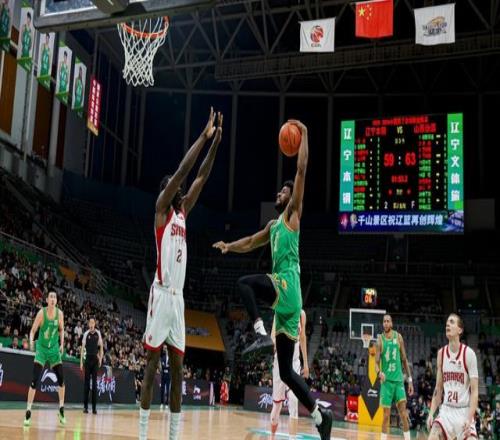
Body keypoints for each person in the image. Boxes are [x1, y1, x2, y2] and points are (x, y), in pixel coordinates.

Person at [213, 120, 332, 440]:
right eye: (280, 191)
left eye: (283, 190)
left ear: (291, 196)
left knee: (245, 284)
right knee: (287, 372)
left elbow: (302, 169)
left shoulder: (292, 214)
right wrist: (229, 246)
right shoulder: (273, 226)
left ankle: (259, 332)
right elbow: (252, 241)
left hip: (287, 285)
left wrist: (305, 134)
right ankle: (320, 416)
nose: (278, 192)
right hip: (288, 305)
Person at [138, 108, 223, 440]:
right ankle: (143, 435)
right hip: (161, 295)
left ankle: (173, 436)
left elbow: (201, 176)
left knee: (177, 371)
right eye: (174, 186)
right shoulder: (161, 210)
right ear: (167, 190)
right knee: (151, 367)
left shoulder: (183, 211)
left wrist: (215, 142)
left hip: (178, 301)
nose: (180, 187)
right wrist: (202, 136)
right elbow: (184, 170)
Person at [427, 313, 479, 440]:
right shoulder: (441, 354)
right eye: (446, 323)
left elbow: (475, 391)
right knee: (433, 435)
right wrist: (431, 413)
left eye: (451, 322)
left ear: (460, 330)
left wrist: (469, 418)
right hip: (446, 411)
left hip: (464, 411)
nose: (447, 325)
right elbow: (438, 388)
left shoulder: (469, 354)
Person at [24, 291, 66, 427]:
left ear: (56, 301)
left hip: (54, 349)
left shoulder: (60, 314)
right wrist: (31, 342)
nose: (53, 299)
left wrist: (62, 344)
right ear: (47, 300)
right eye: (51, 297)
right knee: (34, 380)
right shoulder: (41, 313)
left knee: (61, 379)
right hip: (41, 349)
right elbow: (33, 331)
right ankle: (28, 411)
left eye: (55, 297)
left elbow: (61, 329)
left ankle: (61, 409)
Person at [270, 309, 309, 439]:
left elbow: (302, 338)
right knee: (277, 406)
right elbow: (272, 336)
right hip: (280, 362)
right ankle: (272, 436)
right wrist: (277, 344)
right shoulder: (279, 312)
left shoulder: (301, 314)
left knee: (293, 400)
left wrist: (306, 364)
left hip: (295, 363)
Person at [375, 314, 413, 440]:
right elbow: (376, 363)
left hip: (398, 382)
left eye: (388, 321)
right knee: (386, 416)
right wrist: (379, 373)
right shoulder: (380, 340)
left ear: (391, 323)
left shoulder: (398, 337)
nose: (386, 323)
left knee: (403, 414)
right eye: (384, 321)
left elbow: (404, 359)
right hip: (386, 383)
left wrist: (410, 380)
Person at [80, 317, 103, 414]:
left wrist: (100, 358)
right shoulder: (86, 334)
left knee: (94, 385)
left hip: (95, 361)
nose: (92, 324)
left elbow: (101, 347)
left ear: (95, 324)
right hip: (88, 360)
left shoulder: (98, 333)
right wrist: (81, 362)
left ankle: (94, 408)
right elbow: (82, 348)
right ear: (89, 324)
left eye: (93, 322)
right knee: (86, 384)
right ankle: (85, 407)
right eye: (90, 323)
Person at [160, 345, 170, 410]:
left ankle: (166, 404)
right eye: (165, 349)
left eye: (166, 349)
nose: (165, 350)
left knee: (168, 389)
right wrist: (166, 367)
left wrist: (166, 367)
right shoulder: (162, 357)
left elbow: (170, 367)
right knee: (162, 389)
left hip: (168, 376)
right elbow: (163, 366)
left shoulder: (171, 358)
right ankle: (161, 403)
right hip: (163, 375)